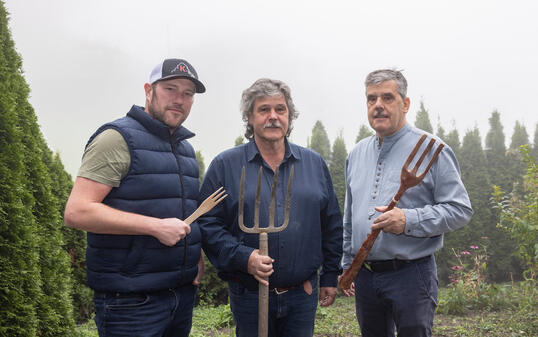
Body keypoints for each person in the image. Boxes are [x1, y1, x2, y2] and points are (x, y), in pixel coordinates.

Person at [64, 58, 206, 337]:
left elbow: (181, 209)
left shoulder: (185, 150)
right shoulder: (116, 139)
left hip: (180, 296)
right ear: (148, 90)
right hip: (130, 303)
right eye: (170, 89)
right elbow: (77, 211)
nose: (179, 99)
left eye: (188, 93)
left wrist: (194, 255)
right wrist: (155, 227)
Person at [197, 78, 343, 337]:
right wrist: (244, 257)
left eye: (280, 109)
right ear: (250, 118)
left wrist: (330, 275)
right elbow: (207, 224)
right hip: (249, 294)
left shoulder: (314, 164)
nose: (273, 116)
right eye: (264, 110)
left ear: (289, 117)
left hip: (302, 293)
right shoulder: (226, 166)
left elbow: (330, 223)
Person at [340, 69, 473, 337]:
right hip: (365, 276)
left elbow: (460, 209)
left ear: (405, 103)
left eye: (387, 97)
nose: (378, 105)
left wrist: (408, 221)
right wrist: (347, 263)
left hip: (411, 275)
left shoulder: (432, 149)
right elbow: (350, 215)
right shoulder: (356, 154)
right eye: (371, 99)